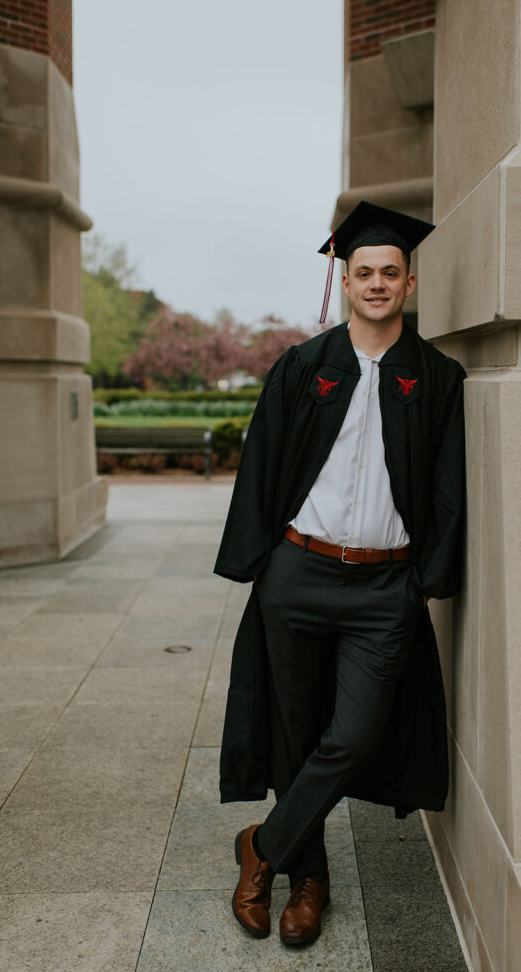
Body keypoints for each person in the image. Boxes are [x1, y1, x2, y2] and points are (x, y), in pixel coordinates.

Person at [214, 200, 466, 946]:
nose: (378, 283)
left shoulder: (437, 377)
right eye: (365, 273)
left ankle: (261, 847)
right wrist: (261, 565)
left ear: (408, 284)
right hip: (299, 573)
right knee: (296, 736)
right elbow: (261, 464)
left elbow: (450, 487)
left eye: (390, 272)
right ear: (345, 280)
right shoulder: (302, 367)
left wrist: (427, 577)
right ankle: (308, 882)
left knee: (351, 735)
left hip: (383, 588)